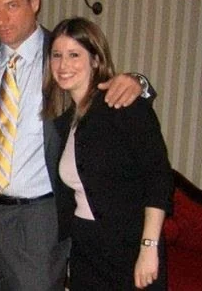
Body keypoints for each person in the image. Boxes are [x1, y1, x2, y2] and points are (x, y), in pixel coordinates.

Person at [0, 0, 152, 290]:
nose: (1, 20)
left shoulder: (61, 57)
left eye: (11, 6)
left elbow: (106, 89)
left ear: (35, 2)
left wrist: (139, 83)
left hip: (37, 220)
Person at [42, 17, 172, 289]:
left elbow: (158, 178)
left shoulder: (123, 106)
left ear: (95, 60)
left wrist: (149, 248)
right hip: (86, 248)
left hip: (129, 247)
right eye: (57, 55)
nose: (63, 65)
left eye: (74, 55)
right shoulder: (65, 121)